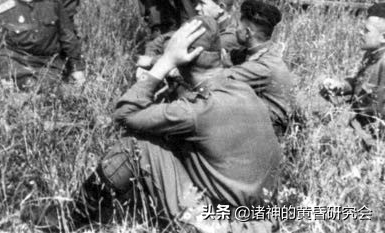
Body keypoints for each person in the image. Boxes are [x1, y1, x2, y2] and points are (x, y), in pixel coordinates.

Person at [22, 17, 280, 232]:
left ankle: (69, 218)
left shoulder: (195, 110)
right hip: (260, 221)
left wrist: (164, 64)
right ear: (221, 55)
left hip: (219, 225)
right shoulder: (243, 90)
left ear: (183, 63)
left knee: (135, 147)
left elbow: (125, 114)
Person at [224, 0, 295, 137]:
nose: (234, 30)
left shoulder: (263, 66)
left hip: (271, 132)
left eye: (237, 25)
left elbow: (215, 79)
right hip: (258, 121)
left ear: (248, 32)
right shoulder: (254, 52)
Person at [320, 3, 385, 146]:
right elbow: (359, 84)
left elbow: (378, 114)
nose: (361, 33)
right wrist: (340, 86)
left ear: (383, 37)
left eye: (366, 30)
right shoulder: (371, 54)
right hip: (357, 125)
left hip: (371, 137)